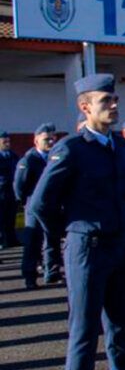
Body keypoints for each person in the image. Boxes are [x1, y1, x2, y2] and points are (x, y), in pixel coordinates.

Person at [29, 74, 125, 370]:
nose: (114, 106)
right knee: (84, 331)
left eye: (115, 99)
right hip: (86, 248)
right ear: (85, 107)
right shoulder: (71, 149)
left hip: (120, 245)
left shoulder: (124, 149)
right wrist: (69, 234)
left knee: (120, 325)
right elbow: (40, 204)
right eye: (106, 101)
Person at [15, 123, 62, 289]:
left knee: (52, 241)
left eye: (53, 139)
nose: (50, 142)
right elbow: (20, 186)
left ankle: (52, 272)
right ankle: (30, 276)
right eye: (46, 139)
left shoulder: (54, 158)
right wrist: (29, 202)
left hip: (51, 207)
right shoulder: (29, 160)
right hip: (34, 208)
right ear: (36, 140)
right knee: (32, 243)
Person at [0, 131, 16, 248]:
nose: (7, 143)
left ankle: (11, 239)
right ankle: (1, 241)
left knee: (11, 216)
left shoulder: (13, 155)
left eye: (8, 141)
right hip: (1, 190)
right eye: (4, 141)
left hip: (11, 191)